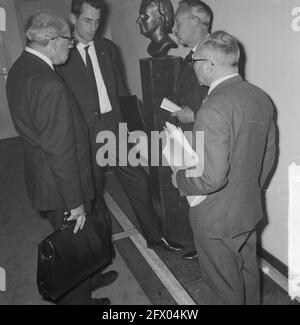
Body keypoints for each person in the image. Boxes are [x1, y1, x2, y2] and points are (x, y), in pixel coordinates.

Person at [56, 0, 183, 252]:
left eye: (97, 21)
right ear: (73, 18)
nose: (93, 28)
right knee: (91, 199)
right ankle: (98, 252)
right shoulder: (61, 53)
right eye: (86, 21)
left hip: (114, 130)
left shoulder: (107, 48)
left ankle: (155, 236)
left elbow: (122, 92)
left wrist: (135, 131)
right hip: (84, 136)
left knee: (138, 181)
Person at [6, 11, 114, 305]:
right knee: (71, 251)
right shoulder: (48, 83)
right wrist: (75, 203)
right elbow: (60, 151)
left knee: (80, 243)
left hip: (44, 175)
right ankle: (80, 299)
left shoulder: (21, 68)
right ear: (52, 41)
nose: (72, 43)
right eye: (69, 38)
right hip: (62, 185)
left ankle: (91, 278)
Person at [172, 30, 276, 304]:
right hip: (247, 209)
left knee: (223, 288)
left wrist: (180, 178)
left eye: (195, 61)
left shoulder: (213, 107)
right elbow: (268, 154)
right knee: (247, 273)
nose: (193, 67)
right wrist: (249, 189)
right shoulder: (259, 97)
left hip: (216, 218)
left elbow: (212, 178)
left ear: (209, 65)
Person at [172, 0, 213, 260]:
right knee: (195, 196)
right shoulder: (191, 55)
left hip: (207, 139)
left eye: (178, 23)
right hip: (190, 136)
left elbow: (224, 101)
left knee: (206, 198)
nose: (174, 29)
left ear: (195, 22)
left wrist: (194, 115)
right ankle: (203, 246)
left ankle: (209, 249)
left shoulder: (215, 52)